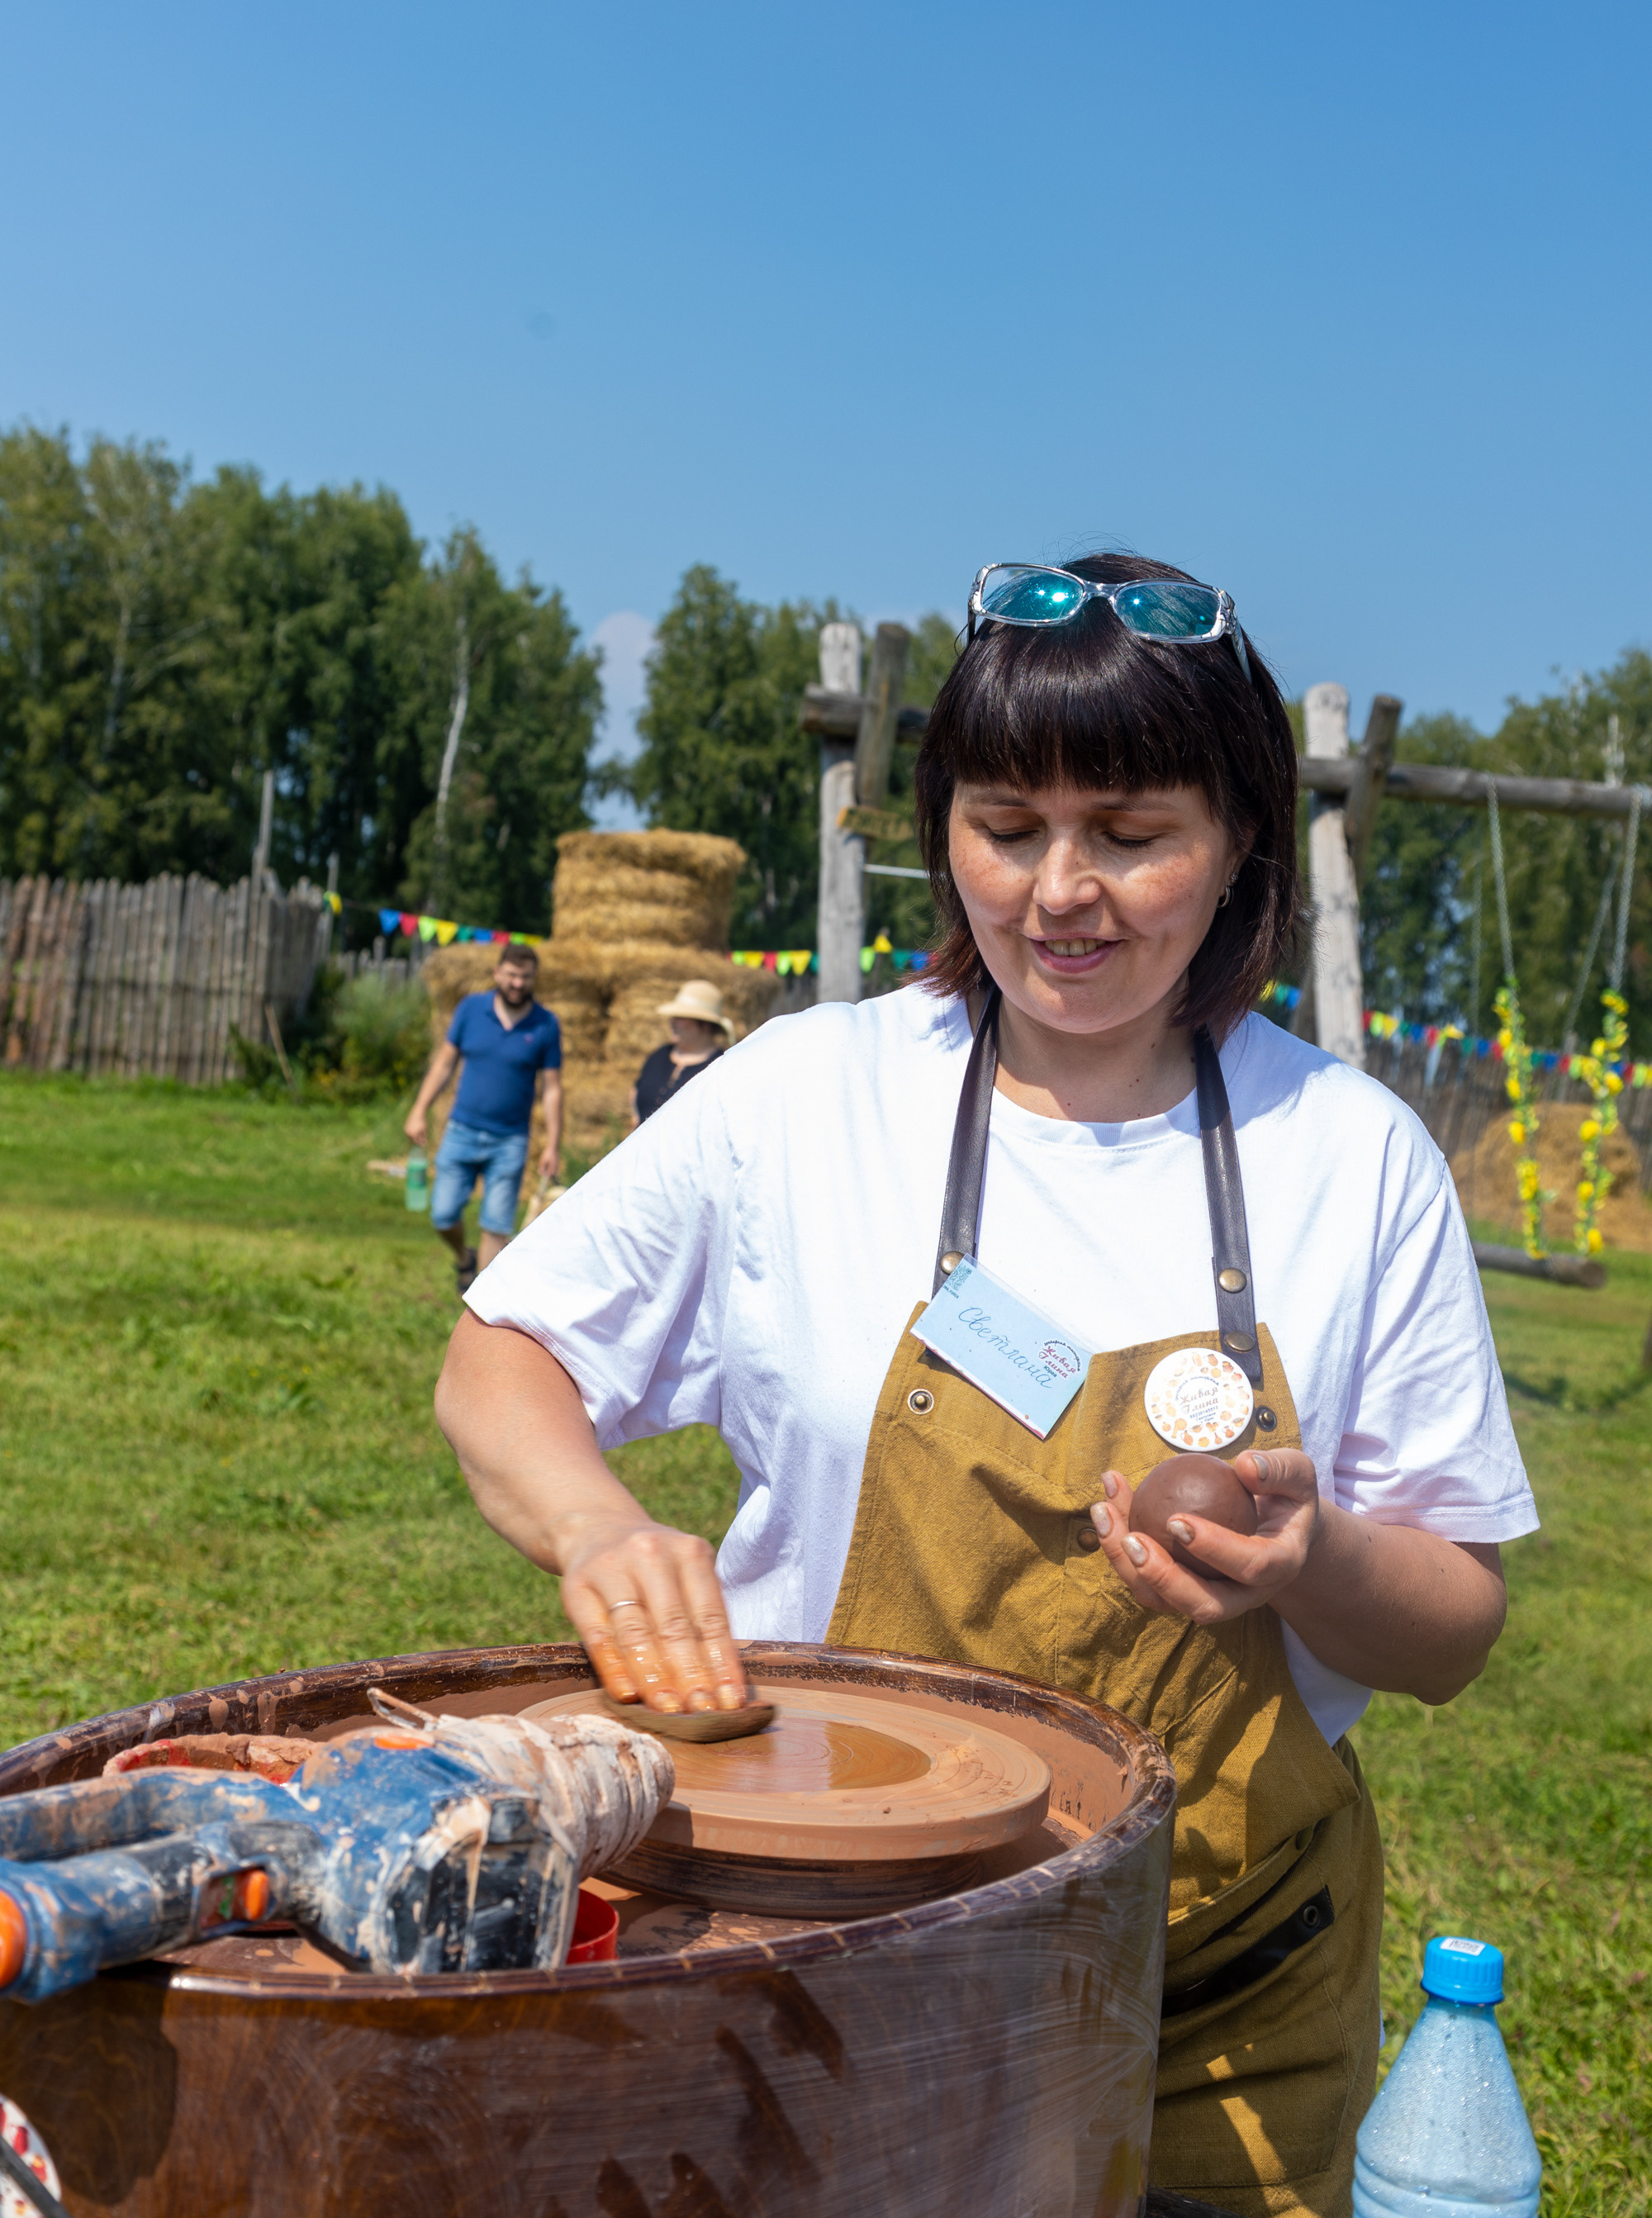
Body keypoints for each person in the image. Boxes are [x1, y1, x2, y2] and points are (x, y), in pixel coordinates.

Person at [433, 556, 1536, 2218]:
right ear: (938, 827)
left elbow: (1451, 1624)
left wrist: (1311, 1566)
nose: (1058, 893)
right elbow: (499, 1357)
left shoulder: (1351, 1159)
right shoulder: (806, 1101)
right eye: (1006, 826)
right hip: (815, 1967)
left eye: (1131, 833)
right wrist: (595, 1527)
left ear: (1238, 838)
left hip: (1211, 2008)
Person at [406, 942, 563, 1293]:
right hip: (462, 1129)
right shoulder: (471, 1010)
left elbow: (552, 1089)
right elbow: (445, 1063)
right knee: (443, 1215)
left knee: (496, 1224)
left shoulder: (546, 1025)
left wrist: (553, 1144)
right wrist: (419, 1110)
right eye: (511, 975)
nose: (517, 984)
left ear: (534, 978)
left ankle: (479, 1302)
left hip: (510, 1140)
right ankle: (464, 1257)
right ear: (497, 973)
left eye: (525, 977)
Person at [630, 981, 732, 1128]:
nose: (672, 1022)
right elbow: (637, 1090)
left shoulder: (720, 1067)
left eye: (681, 1018)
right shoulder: (659, 1056)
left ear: (704, 1025)